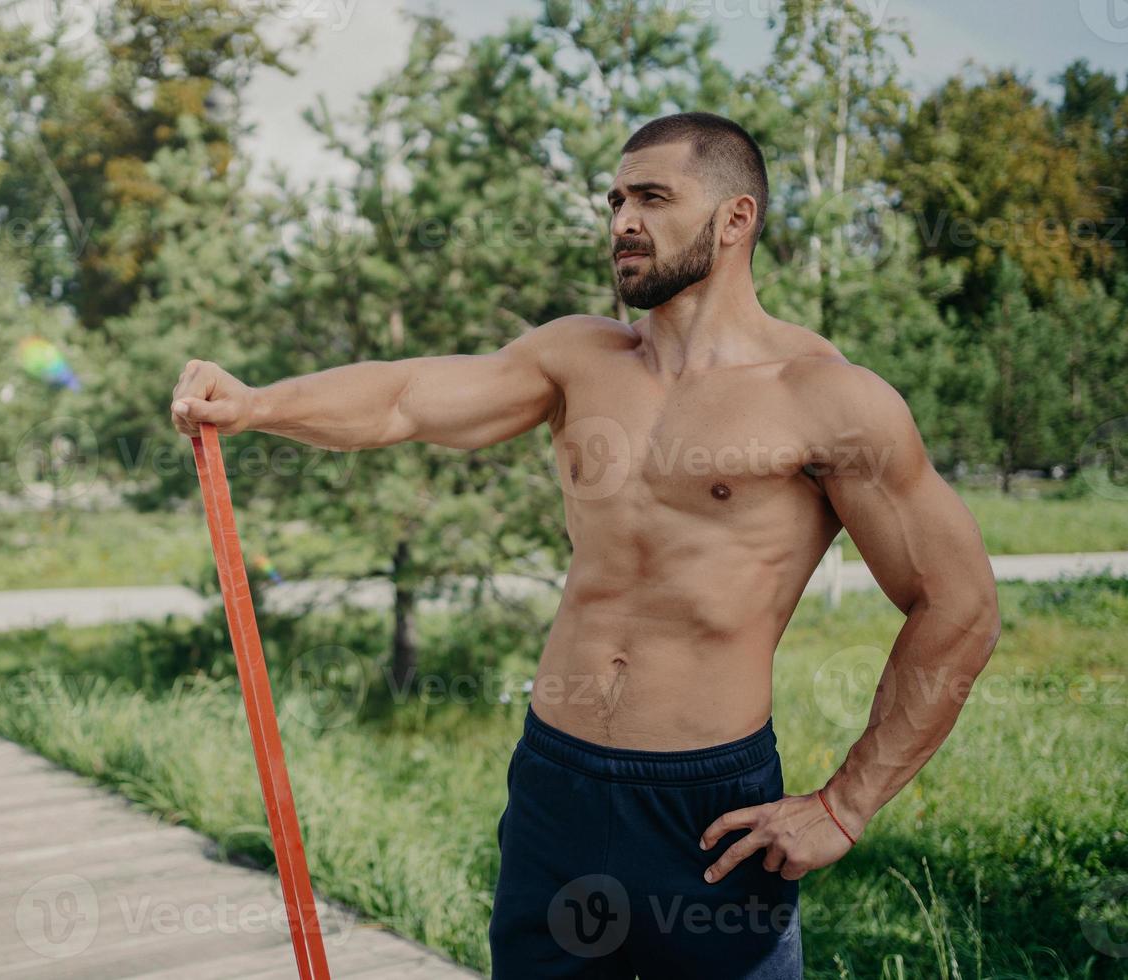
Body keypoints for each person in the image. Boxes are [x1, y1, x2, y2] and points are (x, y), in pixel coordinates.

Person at [169, 111, 1001, 978]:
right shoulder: (578, 357)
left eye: (650, 197)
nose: (620, 223)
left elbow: (959, 604)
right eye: (613, 200)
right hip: (556, 784)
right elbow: (405, 399)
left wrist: (844, 805)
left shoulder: (826, 399)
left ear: (734, 219)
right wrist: (259, 403)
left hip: (706, 812)